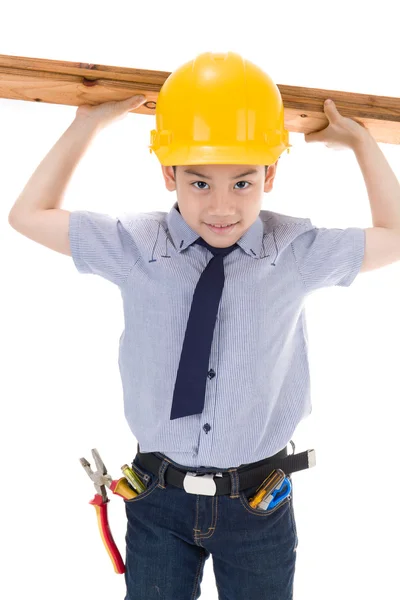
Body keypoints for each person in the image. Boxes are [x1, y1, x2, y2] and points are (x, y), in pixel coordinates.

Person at [8, 51, 400, 600]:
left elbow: (395, 234)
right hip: (157, 496)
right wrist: (87, 123)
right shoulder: (135, 245)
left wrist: (361, 143)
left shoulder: (295, 251)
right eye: (198, 183)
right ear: (168, 173)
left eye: (242, 184)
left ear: (271, 173)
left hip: (256, 500)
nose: (221, 207)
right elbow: (27, 216)